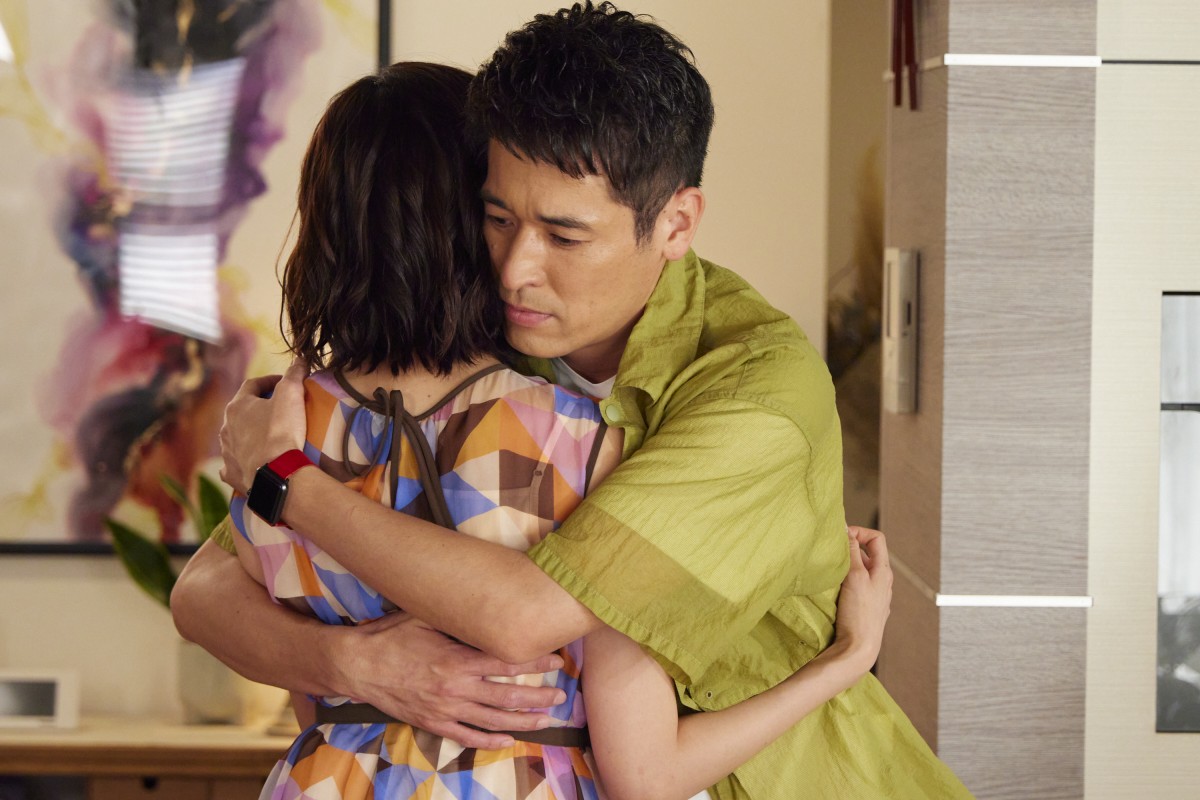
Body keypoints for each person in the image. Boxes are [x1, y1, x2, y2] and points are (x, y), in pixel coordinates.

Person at [175, 4, 972, 797]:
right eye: (496, 218)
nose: (516, 268)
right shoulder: (497, 348)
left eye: (564, 236)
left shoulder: (757, 397)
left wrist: (287, 483)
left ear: (676, 223)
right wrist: (358, 664)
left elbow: (525, 614)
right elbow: (204, 591)